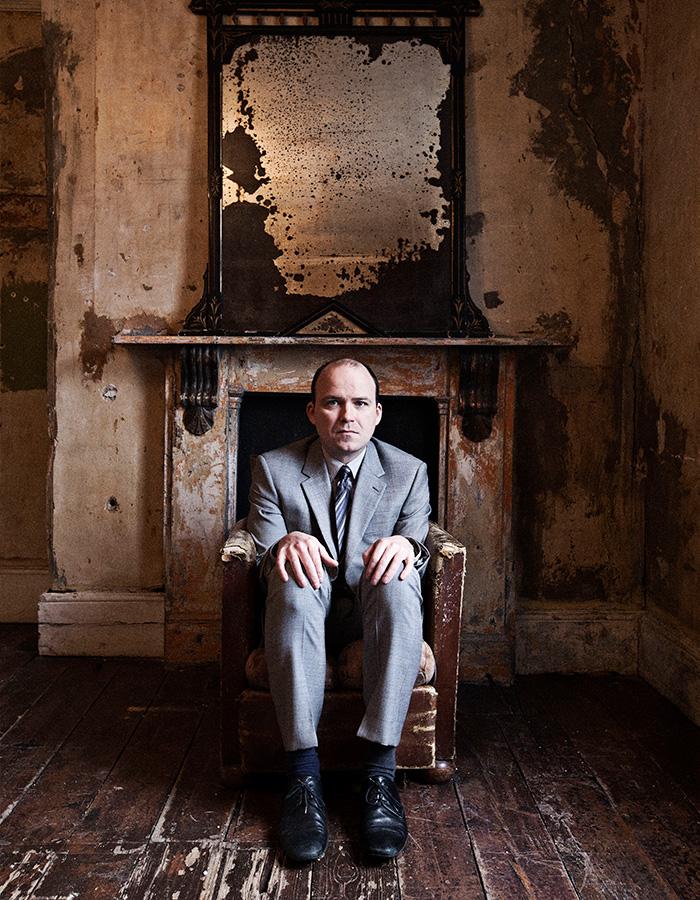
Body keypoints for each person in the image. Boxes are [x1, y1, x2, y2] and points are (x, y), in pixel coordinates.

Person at [247, 358, 430, 863]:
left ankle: (379, 774)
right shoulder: (273, 468)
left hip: (372, 613)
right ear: (312, 412)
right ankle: (303, 780)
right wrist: (284, 544)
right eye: (332, 402)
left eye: (359, 403)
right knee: (291, 571)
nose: (345, 415)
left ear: (377, 414)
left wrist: (407, 548)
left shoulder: (409, 473)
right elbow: (262, 557)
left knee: (399, 576)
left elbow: (418, 539)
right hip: (299, 614)